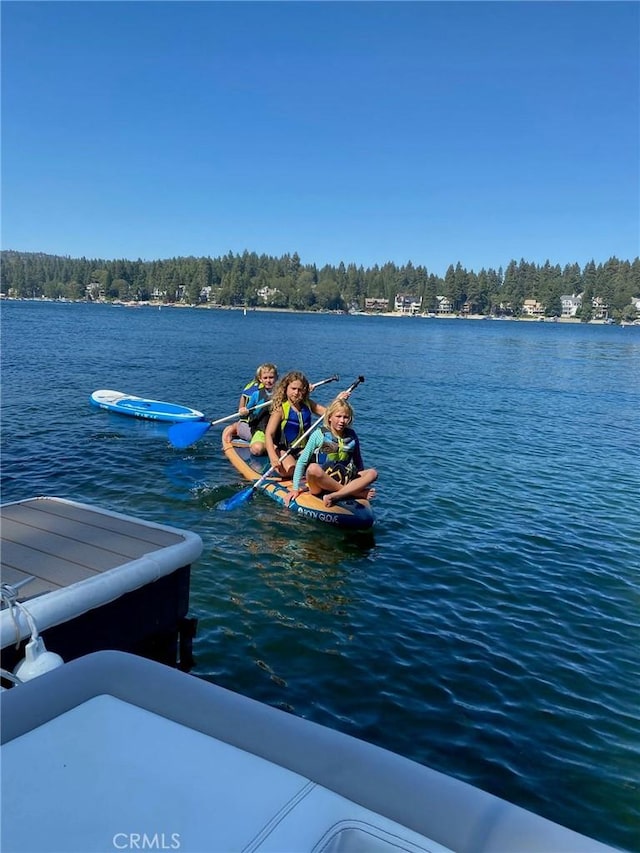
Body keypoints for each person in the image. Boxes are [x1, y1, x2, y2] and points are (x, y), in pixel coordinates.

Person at [284, 398, 377, 507]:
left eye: (346, 417)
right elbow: (302, 462)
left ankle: (337, 495)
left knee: (372, 473)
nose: (342, 421)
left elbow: (358, 462)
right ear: (329, 418)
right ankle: (351, 492)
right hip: (319, 484)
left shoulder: (352, 436)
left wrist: (360, 484)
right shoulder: (319, 435)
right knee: (313, 468)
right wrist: (295, 489)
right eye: (338, 416)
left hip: (343, 478)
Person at [265, 371, 327, 477]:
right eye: (293, 389)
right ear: (286, 389)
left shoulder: (308, 404)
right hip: (284, 449)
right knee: (290, 471)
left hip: (303, 449)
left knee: (324, 466)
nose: (296, 392)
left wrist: (338, 402)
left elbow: (328, 413)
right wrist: (273, 458)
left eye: (300, 389)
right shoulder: (281, 409)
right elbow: (269, 434)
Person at [233, 363, 278, 455]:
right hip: (260, 429)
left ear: (276, 378)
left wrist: (306, 388)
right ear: (260, 379)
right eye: (265, 378)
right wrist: (243, 411)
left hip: (278, 430)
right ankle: (268, 446)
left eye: (271, 377)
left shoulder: (283, 393)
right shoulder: (256, 395)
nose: (268, 380)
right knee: (257, 449)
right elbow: (247, 411)